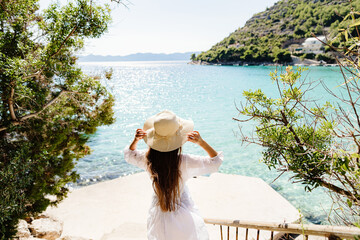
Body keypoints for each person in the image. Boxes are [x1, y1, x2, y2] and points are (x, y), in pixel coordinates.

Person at [124, 110, 223, 240]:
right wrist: (201, 142)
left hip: (159, 216)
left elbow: (130, 155)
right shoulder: (184, 161)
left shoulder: (148, 159)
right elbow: (215, 162)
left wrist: (135, 140)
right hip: (183, 217)